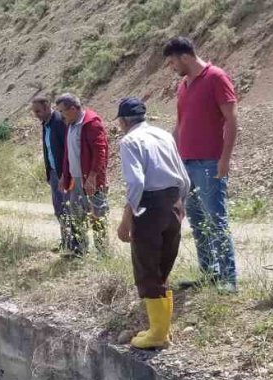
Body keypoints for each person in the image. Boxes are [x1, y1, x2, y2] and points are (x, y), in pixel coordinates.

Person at [113, 97, 190, 351]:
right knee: (162, 268)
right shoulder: (164, 135)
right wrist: (181, 206)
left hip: (149, 206)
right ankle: (162, 330)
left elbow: (135, 183)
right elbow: (184, 177)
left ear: (123, 121)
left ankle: (157, 334)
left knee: (147, 268)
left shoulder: (129, 141)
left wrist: (127, 219)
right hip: (173, 202)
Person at [163, 36, 238, 292]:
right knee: (196, 221)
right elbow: (180, 125)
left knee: (216, 220)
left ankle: (229, 279)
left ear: (185, 56)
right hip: (186, 164)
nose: (172, 67)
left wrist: (225, 159)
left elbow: (231, 120)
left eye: (172, 61)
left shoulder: (216, 77)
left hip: (209, 163)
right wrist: (170, 156)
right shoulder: (183, 85)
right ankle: (209, 273)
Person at [54, 94, 110, 257]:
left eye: (62, 111)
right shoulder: (70, 125)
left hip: (91, 180)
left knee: (98, 216)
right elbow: (68, 153)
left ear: (73, 108)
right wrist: (65, 174)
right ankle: (81, 251)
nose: (61, 115)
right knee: (76, 214)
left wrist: (93, 176)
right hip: (75, 180)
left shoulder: (91, 123)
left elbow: (101, 152)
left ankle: (103, 254)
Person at [30, 97, 71, 252]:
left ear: (47, 107)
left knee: (67, 209)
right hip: (54, 173)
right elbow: (48, 150)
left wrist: (65, 174)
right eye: (34, 112)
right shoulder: (46, 124)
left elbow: (67, 149)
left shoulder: (59, 121)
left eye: (38, 111)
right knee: (59, 209)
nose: (36, 114)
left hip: (64, 174)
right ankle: (66, 243)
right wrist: (50, 174)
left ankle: (74, 246)